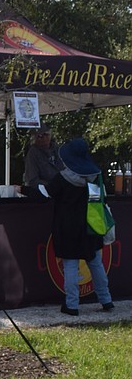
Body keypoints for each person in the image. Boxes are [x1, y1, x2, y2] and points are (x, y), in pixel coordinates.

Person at [47, 136, 114, 317]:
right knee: (96, 263)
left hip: (68, 228)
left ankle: (72, 305)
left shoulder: (62, 178)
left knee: (70, 266)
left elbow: (47, 193)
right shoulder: (96, 176)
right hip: (91, 225)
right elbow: (103, 198)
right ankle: (106, 300)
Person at [23, 123, 62, 193]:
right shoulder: (33, 153)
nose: (44, 138)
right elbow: (32, 180)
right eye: (40, 136)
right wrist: (51, 186)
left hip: (61, 190)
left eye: (46, 134)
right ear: (35, 138)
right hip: (42, 193)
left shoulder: (57, 149)